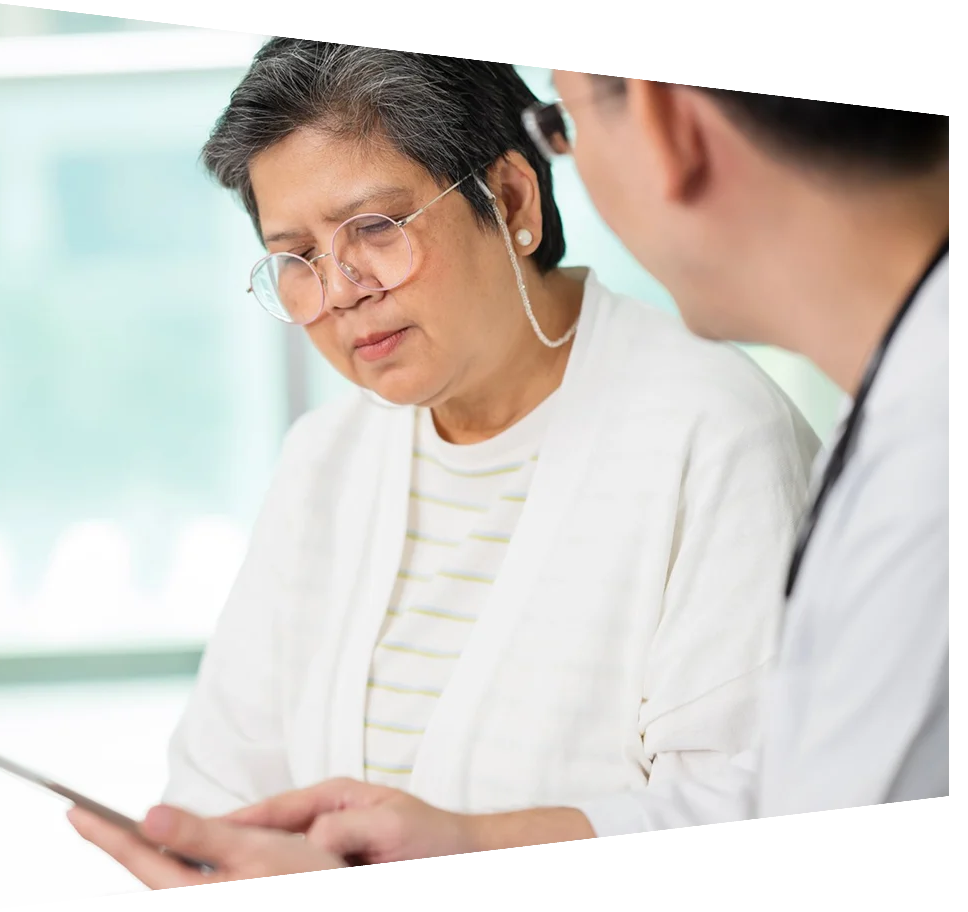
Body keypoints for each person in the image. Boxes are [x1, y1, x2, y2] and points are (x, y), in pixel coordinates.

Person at [69, 49, 828, 884]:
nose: (343, 290)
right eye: (298, 258)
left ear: (509, 200)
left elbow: (760, 800)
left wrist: (470, 837)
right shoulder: (327, 460)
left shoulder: (712, 431)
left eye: (375, 230)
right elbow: (222, 783)